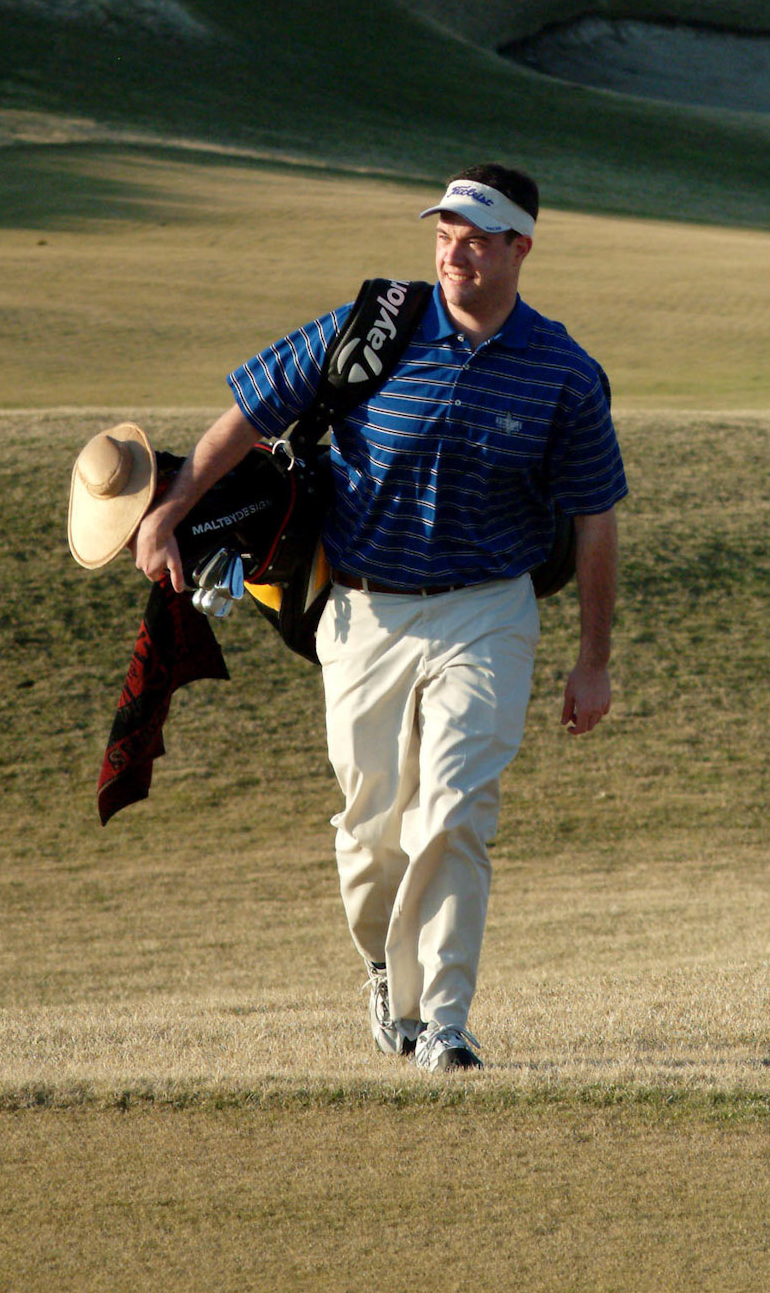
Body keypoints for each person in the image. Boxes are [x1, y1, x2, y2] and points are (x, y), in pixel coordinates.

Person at [132, 163, 627, 1073]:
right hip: (360, 610)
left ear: (521, 246)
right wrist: (170, 507)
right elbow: (250, 409)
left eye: (477, 237)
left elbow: (595, 517)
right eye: (444, 233)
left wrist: (592, 660)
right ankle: (380, 968)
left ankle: (444, 1021)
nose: (455, 251)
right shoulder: (375, 328)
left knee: (454, 810)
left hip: (487, 610)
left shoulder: (563, 372)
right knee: (369, 825)